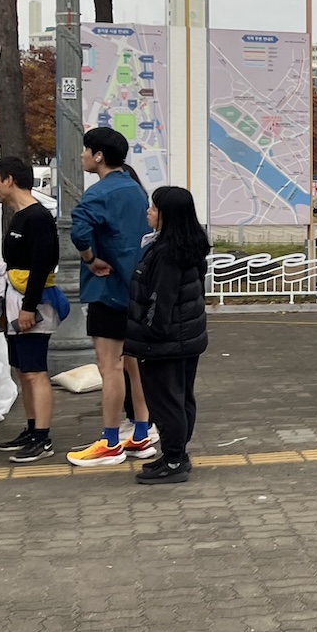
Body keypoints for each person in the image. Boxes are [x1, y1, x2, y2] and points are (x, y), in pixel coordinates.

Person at [67, 127, 159, 468]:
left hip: (107, 290)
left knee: (110, 367)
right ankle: (141, 433)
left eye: (86, 150)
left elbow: (79, 228)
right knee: (133, 365)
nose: (82, 156)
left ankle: (109, 442)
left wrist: (91, 259)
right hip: (136, 288)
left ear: (99, 155)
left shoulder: (99, 192)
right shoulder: (136, 189)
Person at [123, 185, 209, 485]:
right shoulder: (190, 244)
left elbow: (160, 300)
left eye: (154, 208)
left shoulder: (167, 252)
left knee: (166, 402)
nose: (148, 212)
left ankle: (174, 460)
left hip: (165, 341)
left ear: (168, 215)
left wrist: (149, 334)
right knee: (181, 398)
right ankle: (176, 454)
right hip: (186, 337)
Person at [0, 155, 61, 464]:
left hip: (30, 304)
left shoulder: (37, 217)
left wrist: (29, 307)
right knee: (22, 370)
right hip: (14, 301)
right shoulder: (19, 216)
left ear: (9, 180)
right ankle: (32, 429)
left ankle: (42, 438)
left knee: (35, 371)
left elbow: (43, 263)